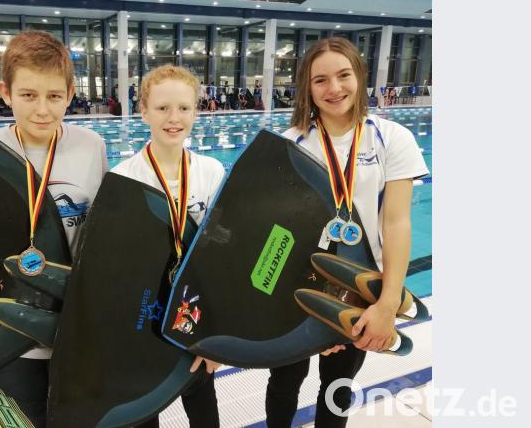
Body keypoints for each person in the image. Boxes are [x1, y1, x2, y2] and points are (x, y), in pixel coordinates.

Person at [265, 37, 428, 428]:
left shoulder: (391, 138)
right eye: (320, 80)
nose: (334, 88)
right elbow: (276, 230)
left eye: (343, 75)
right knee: (284, 379)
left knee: (337, 385)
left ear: (360, 76)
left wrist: (387, 306)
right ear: (306, 86)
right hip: (295, 290)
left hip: (358, 290)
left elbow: (396, 224)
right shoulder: (290, 144)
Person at [0, 30, 108, 428]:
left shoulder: (92, 147)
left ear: (71, 93)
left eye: (54, 96)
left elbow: (102, 240)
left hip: (76, 337)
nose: (42, 109)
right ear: (5, 92)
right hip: (10, 344)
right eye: (28, 95)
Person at [111, 64, 225, 428]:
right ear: (143, 110)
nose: (173, 118)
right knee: (146, 417)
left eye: (184, 108)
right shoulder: (122, 178)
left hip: (194, 322)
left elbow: (221, 259)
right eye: (162, 108)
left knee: (204, 411)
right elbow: (115, 268)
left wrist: (215, 340)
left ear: (196, 110)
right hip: (142, 322)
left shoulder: (211, 171)